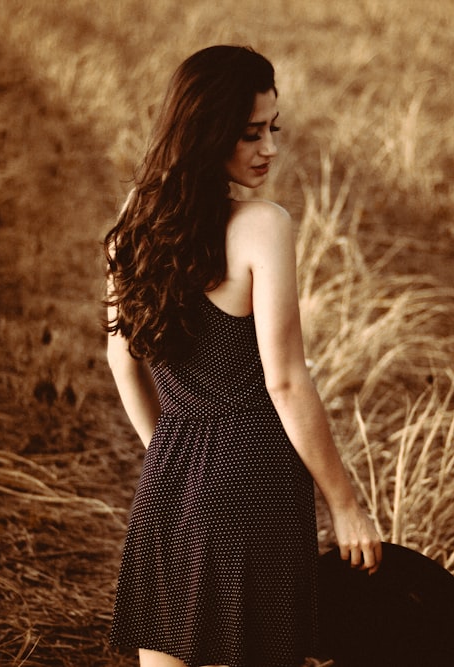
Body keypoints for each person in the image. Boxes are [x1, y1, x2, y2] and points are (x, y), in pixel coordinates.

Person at [104, 45, 382, 667]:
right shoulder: (263, 225)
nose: (270, 149)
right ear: (206, 132)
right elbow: (285, 381)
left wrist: (172, 453)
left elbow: (121, 360)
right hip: (256, 488)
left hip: (169, 485)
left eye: (272, 129)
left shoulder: (134, 221)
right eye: (251, 132)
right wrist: (345, 504)